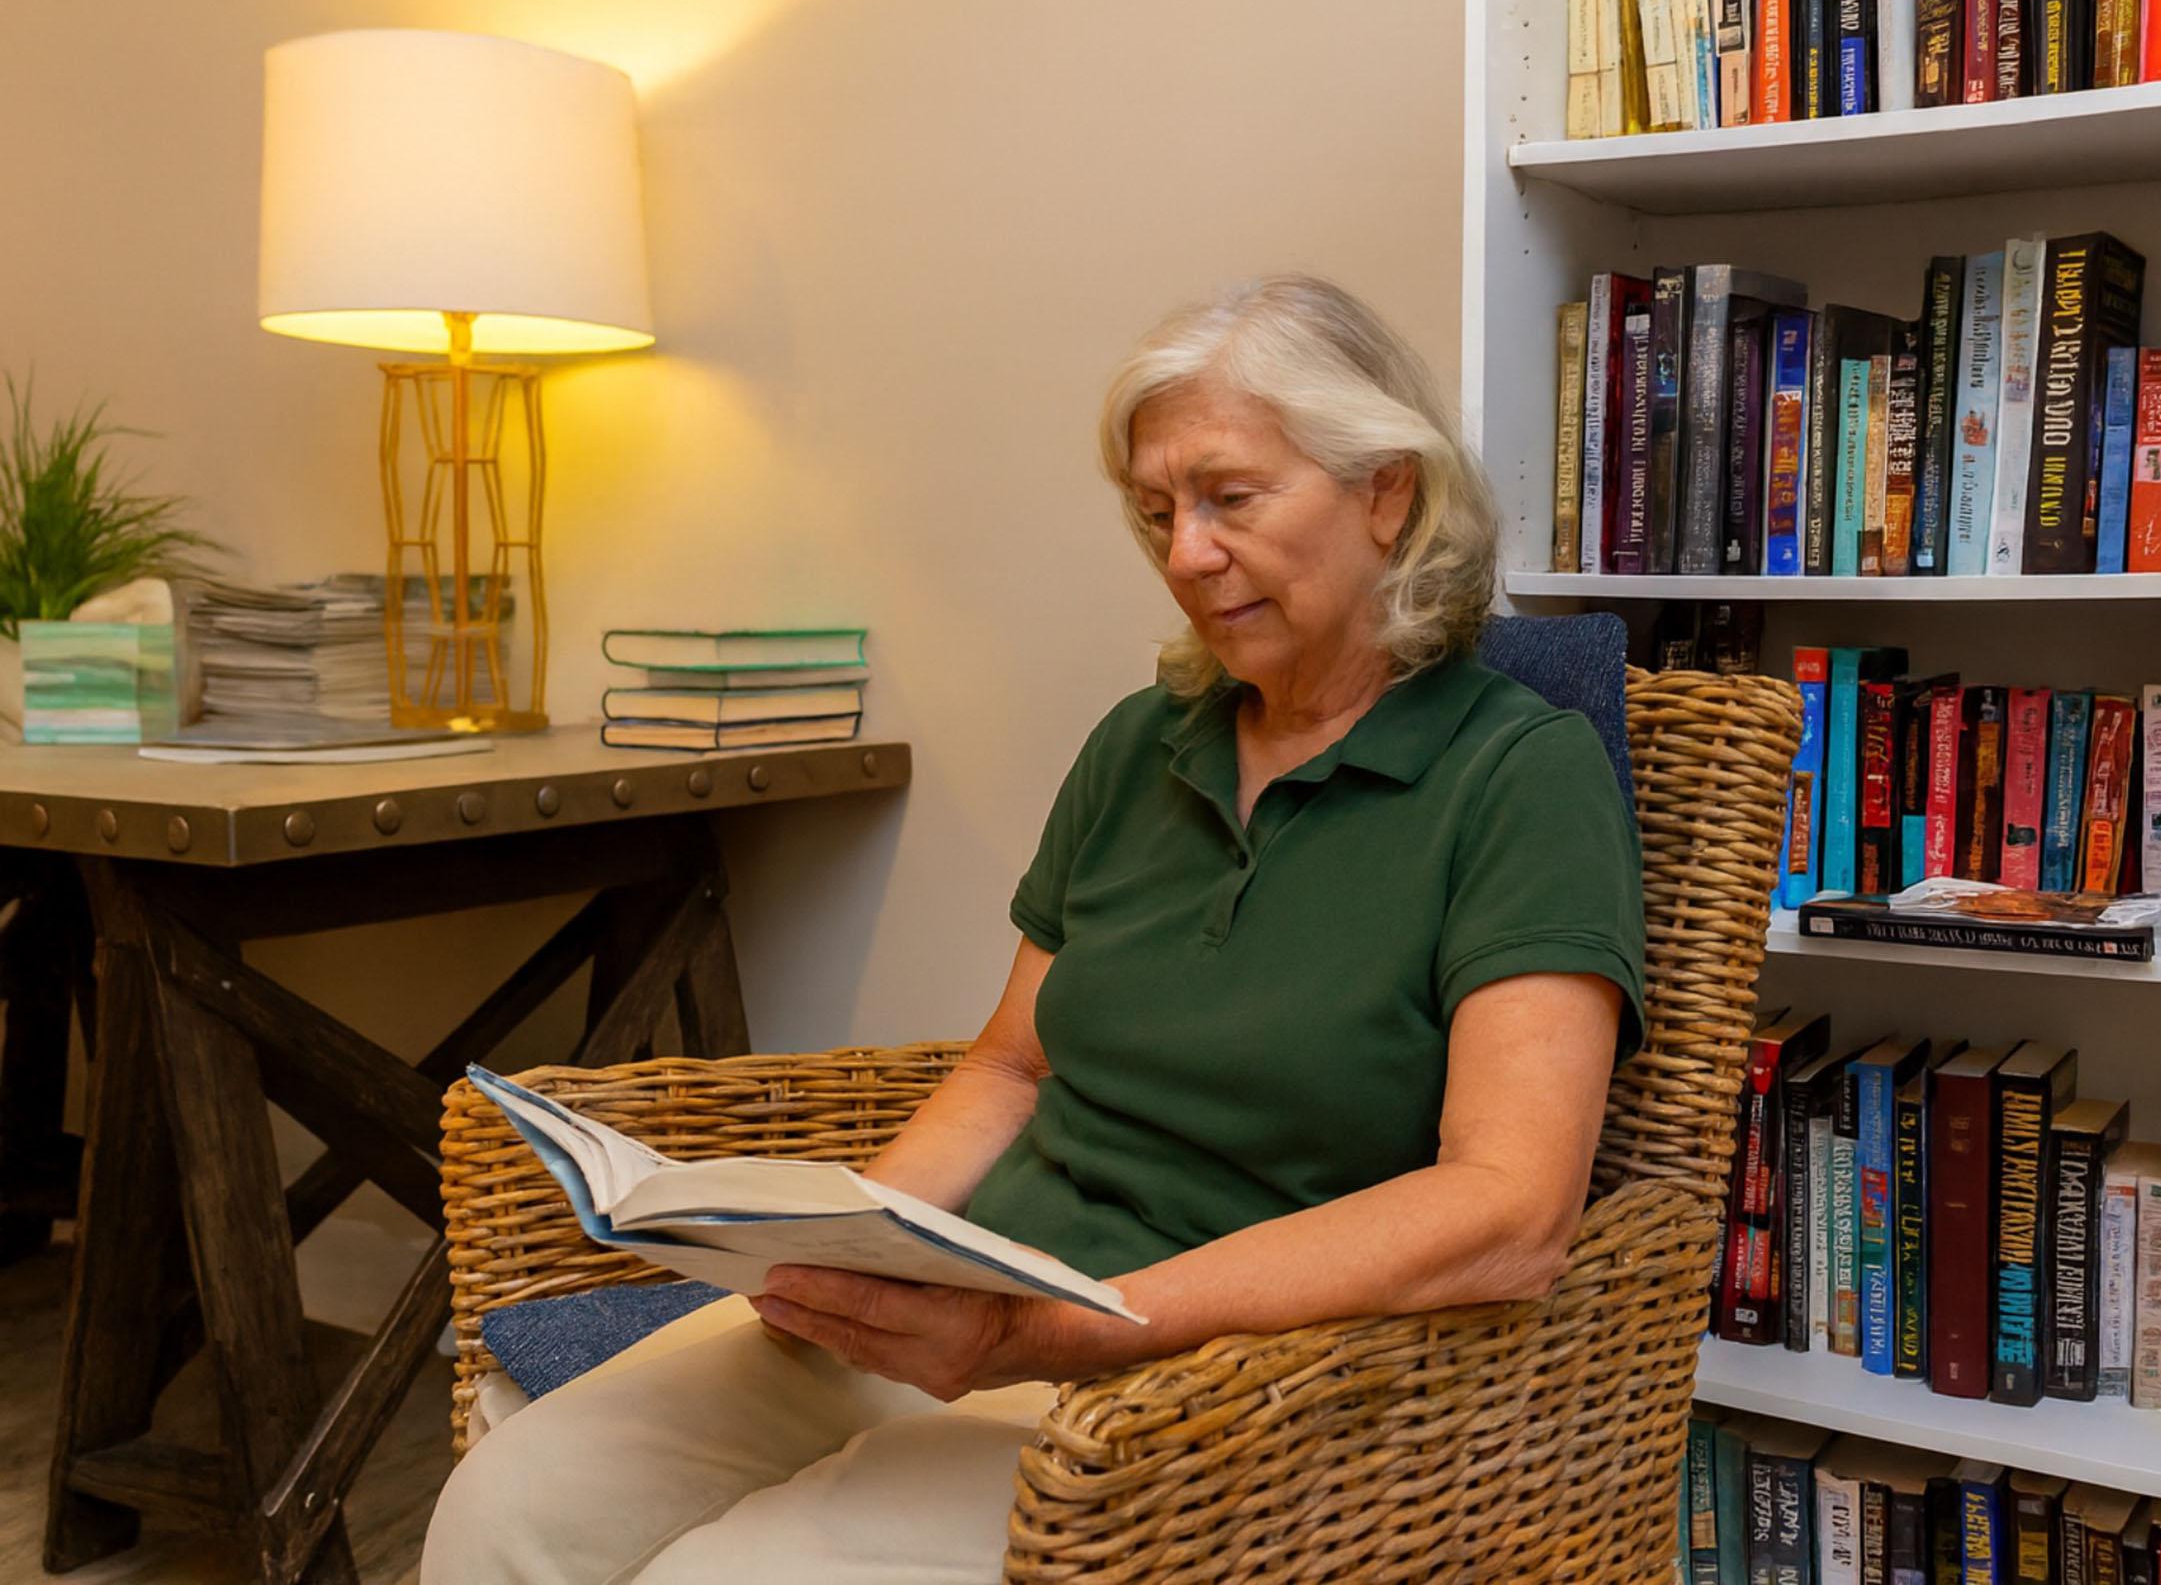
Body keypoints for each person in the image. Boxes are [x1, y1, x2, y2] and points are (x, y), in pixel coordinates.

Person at [420, 274, 1645, 1584]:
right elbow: (1015, 1064)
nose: (1184, 555)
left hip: (1208, 1384)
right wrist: (848, 1245)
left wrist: (1050, 1333)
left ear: (1385, 493)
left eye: (1229, 499)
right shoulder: (1141, 747)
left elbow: (1510, 1212)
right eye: (1157, 513)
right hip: (975, 1297)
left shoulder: (1520, 776)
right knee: (508, 1507)